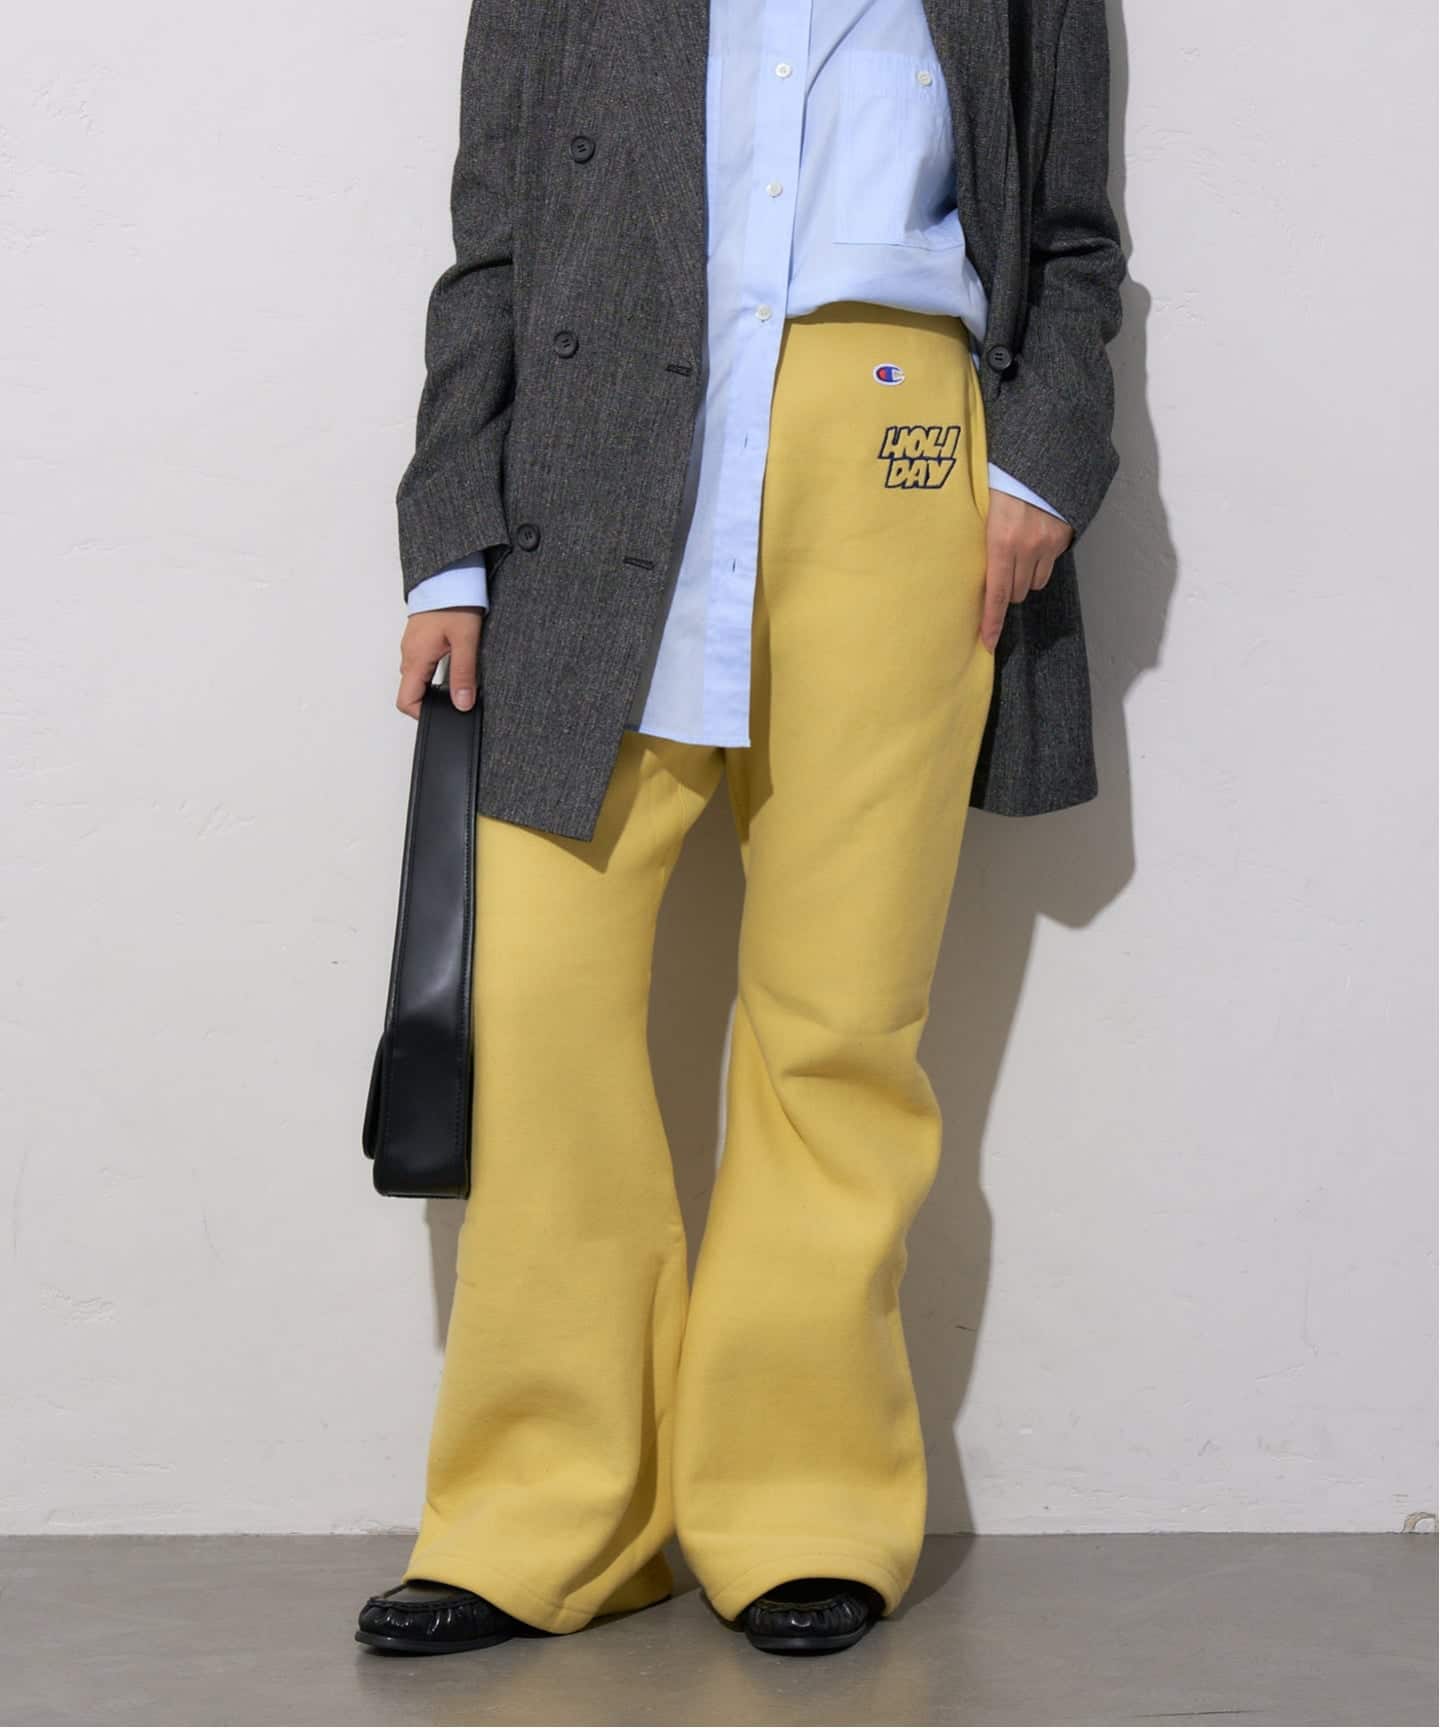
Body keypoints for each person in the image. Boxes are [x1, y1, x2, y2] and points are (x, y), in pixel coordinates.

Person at [356, 0, 1125, 1661]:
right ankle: (544, 1513)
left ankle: (804, 1502)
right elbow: (493, 244)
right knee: (539, 1017)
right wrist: (448, 540)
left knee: (837, 1023)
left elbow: (1070, 234)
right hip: (598, 456)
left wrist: (1042, 470)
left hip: (898, 450)